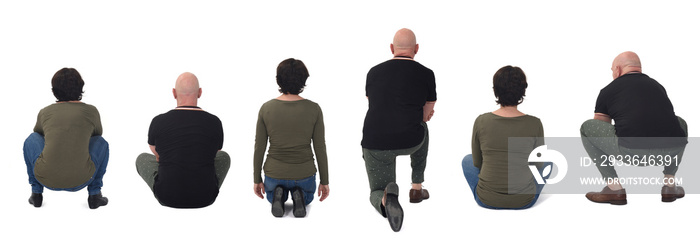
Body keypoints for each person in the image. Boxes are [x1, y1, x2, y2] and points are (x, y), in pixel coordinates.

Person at [581, 51, 688, 205]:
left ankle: (614, 188)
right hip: (670, 151)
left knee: (587, 128)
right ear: (638, 68)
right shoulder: (658, 86)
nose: (613, 74)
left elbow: (600, 127)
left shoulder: (608, 90)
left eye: (612, 70)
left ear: (618, 70)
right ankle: (670, 185)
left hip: (632, 153)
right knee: (680, 122)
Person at [361, 28, 436, 232]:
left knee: (376, 189)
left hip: (375, 142)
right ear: (417, 49)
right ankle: (416, 188)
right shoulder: (426, 74)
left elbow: (374, 104)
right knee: (423, 128)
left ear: (392, 48)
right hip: (411, 141)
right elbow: (425, 114)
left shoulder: (373, 72)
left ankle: (386, 198)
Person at [135, 72, 230, 208]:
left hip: (167, 196)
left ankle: (170, 174)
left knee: (141, 158)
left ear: (174, 93)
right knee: (224, 156)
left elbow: (155, 151)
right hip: (206, 197)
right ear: (200, 93)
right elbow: (216, 153)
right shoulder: (215, 122)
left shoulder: (158, 121)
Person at [253, 58, 330, 218]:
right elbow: (320, 147)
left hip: (274, 173)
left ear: (278, 79)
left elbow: (259, 147)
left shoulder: (266, 108)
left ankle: (277, 196)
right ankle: (300, 195)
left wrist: (256, 179)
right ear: (304, 80)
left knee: (271, 196)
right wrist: (324, 181)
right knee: (308, 198)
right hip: (304, 173)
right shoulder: (314, 109)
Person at [23, 68, 109, 209]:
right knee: (101, 142)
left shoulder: (45, 112)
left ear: (54, 90)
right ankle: (95, 194)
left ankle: (36, 193)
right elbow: (97, 134)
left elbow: (39, 134)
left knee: (32, 138)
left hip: (46, 178)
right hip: (83, 178)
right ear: (81, 87)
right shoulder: (91, 111)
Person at [461, 66, 546, 209]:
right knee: (549, 163)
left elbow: (477, 162)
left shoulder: (481, 121)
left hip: (486, 199)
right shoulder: (535, 123)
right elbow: (537, 165)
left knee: (467, 160)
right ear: (523, 90)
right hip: (524, 201)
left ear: (495, 90)